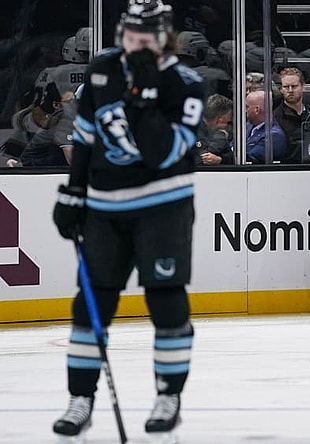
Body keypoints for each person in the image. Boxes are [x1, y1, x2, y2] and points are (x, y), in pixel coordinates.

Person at [51, 0, 204, 441]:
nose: (132, 42)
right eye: (128, 33)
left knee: (165, 299)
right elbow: (85, 136)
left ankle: (167, 396)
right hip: (104, 210)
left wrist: (144, 97)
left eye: (143, 35)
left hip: (163, 207)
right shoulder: (102, 70)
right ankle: (80, 399)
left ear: (162, 37)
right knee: (90, 305)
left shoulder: (184, 83)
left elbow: (163, 154)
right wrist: (73, 192)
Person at [272, 67, 310, 164]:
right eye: (286, 87)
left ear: (303, 86)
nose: (290, 90)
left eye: (294, 86)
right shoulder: (275, 118)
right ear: (281, 89)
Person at [245, 90, 287, 164]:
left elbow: (251, 159)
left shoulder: (274, 135)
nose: (245, 110)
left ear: (257, 110)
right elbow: (232, 146)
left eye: (247, 107)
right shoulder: (247, 126)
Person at [196, 93, 234, 165]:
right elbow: (200, 159)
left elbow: (232, 157)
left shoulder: (215, 134)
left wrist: (220, 159)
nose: (227, 127)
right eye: (228, 122)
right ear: (220, 120)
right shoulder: (193, 131)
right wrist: (219, 140)